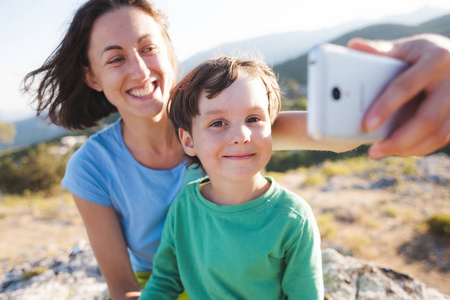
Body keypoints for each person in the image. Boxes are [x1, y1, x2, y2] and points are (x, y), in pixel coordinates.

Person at [22, 0, 450, 298]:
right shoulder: (91, 169)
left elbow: (338, 134)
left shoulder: (223, 124)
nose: (140, 69)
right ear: (92, 76)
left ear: (170, 52)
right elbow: (124, 288)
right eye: (115, 58)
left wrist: (419, 87)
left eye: (149, 48)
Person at [140, 55, 323, 299]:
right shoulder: (184, 207)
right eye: (218, 123)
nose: (241, 135)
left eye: (254, 119)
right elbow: (164, 282)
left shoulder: (293, 217)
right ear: (188, 141)